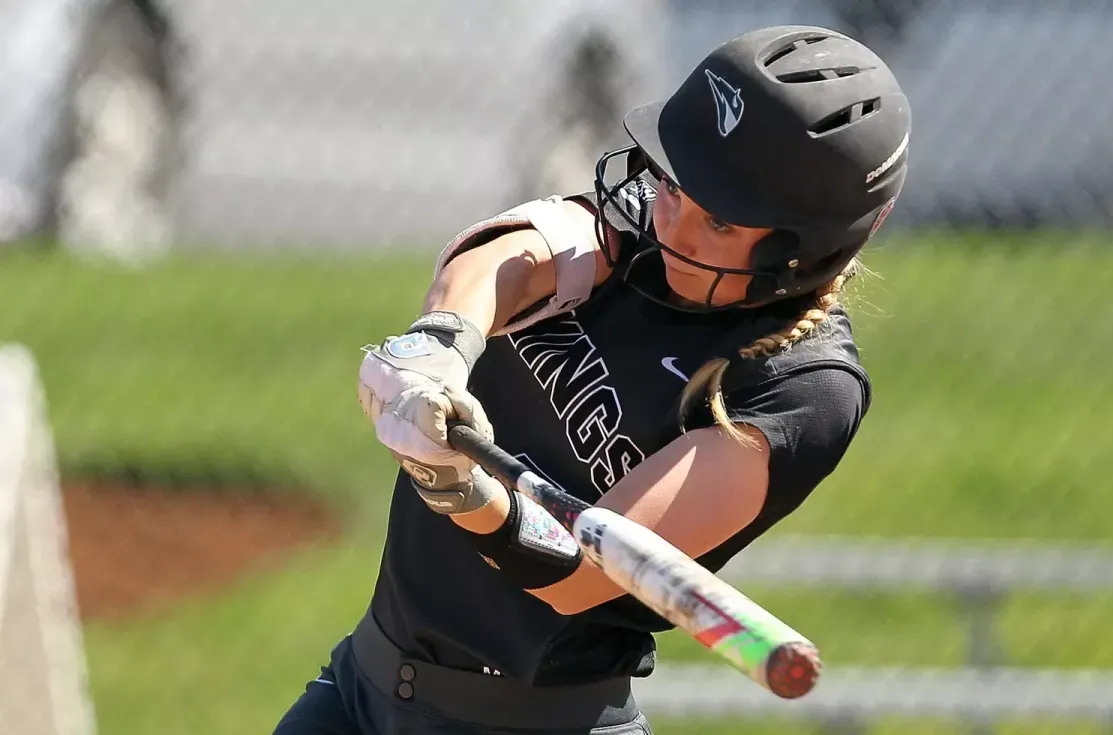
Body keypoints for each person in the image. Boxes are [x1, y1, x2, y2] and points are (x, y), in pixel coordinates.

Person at [273, 24, 910, 735]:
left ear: (807, 249)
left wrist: (457, 485)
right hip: (363, 686)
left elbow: (583, 573)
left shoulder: (803, 388)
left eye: (720, 223)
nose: (674, 226)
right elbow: (510, 255)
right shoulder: (641, 231)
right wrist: (442, 345)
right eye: (672, 185)